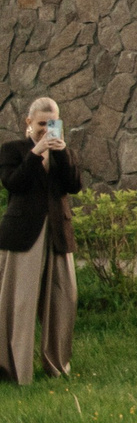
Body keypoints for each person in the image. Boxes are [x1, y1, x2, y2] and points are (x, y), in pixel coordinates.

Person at [1, 97, 82, 384]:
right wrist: (36, 152)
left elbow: (74, 185)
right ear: (28, 122)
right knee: (20, 304)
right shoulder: (13, 150)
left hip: (58, 234)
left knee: (64, 299)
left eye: (52, 124)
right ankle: (14, 371)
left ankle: (57, 366)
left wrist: (59, 154)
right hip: (23, 235)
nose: (46, 130)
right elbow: (13, 183)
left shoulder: (65, 152)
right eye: (40, 125)